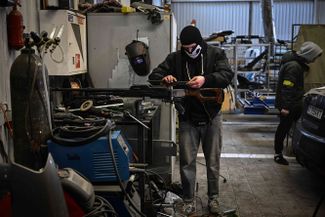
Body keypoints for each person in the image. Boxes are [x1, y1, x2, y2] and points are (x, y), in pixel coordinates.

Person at [148, 25, 234, 215]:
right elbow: (153, 76)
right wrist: (165, 77)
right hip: (187, 118)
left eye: (192, 47)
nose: (188, 51)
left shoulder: (215, 54)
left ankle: (214, 199)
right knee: (187, 162)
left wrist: (206, 79)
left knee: (213, 162)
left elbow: (227, 75)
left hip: (212, 117)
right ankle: (188, 199)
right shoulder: (175, 58)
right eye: (185, 48)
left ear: (200, 43)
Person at [274, 41, 323, 165]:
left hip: (292, 104)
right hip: (289, 105)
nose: (314, 59)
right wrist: (285, 107)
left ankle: (292, 151)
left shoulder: (295, 64)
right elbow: (287, 88)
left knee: (288, 129)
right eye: (314, 56)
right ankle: (278, 154)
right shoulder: (294, 66)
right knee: (283, 129)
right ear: (309, 54)